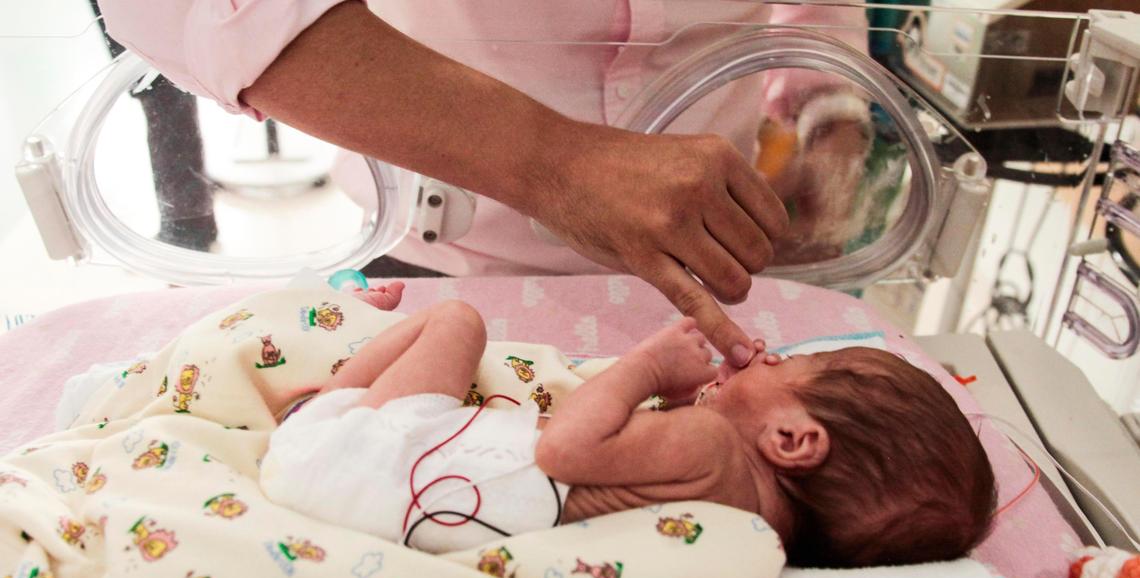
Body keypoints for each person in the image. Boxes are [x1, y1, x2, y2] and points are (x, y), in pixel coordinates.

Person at [97, 0, 872, 370]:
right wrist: (552, 160)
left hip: (720, 259)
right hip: (440, 258)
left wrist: (830, 113)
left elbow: (819, 6)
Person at [261, 283, 996, 568]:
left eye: (791, 367)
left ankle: (323, 391)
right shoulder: (750, 526)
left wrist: (646, 366)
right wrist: (691, 400)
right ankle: (325, 405)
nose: (765, 355)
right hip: (381, 502)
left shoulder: (712, 446)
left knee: (457, 321)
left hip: (361, 457)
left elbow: (564, 447)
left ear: (793, 441)